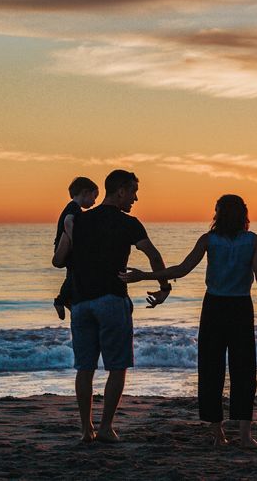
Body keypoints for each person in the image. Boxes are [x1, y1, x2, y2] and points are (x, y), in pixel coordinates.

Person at [121, 194, 257, 447]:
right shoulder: (252, 240)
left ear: (218, 214)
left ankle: (218, 433)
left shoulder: (210, 240)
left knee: (211, 369)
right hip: (240, 306)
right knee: (244, 370)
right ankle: (245, 435)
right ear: (244, 214)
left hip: (215, 307)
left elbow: (182, 270)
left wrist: (146, 276)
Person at [51, 169, 172, 444]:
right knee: (117, 367)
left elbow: (60, 260)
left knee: (85, 368)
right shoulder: (129, 223)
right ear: (120, 191)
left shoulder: (78, 220)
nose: (136, 198)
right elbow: (153, 255)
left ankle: (86, 430)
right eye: (133, 192)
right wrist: (164, 288)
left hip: (81, 303)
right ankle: (105, 427)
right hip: (111, 300)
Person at [53, 176, 99, 320]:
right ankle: (61, 300)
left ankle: (66, 299)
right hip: (66, 248)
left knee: (73, 274)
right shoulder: (74, 208)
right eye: (94, 196)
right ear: (85, 193)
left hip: (68, 248)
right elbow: (68, 222)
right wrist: (78, 242)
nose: (94, 201)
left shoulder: (73, 207)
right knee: (74, 273)